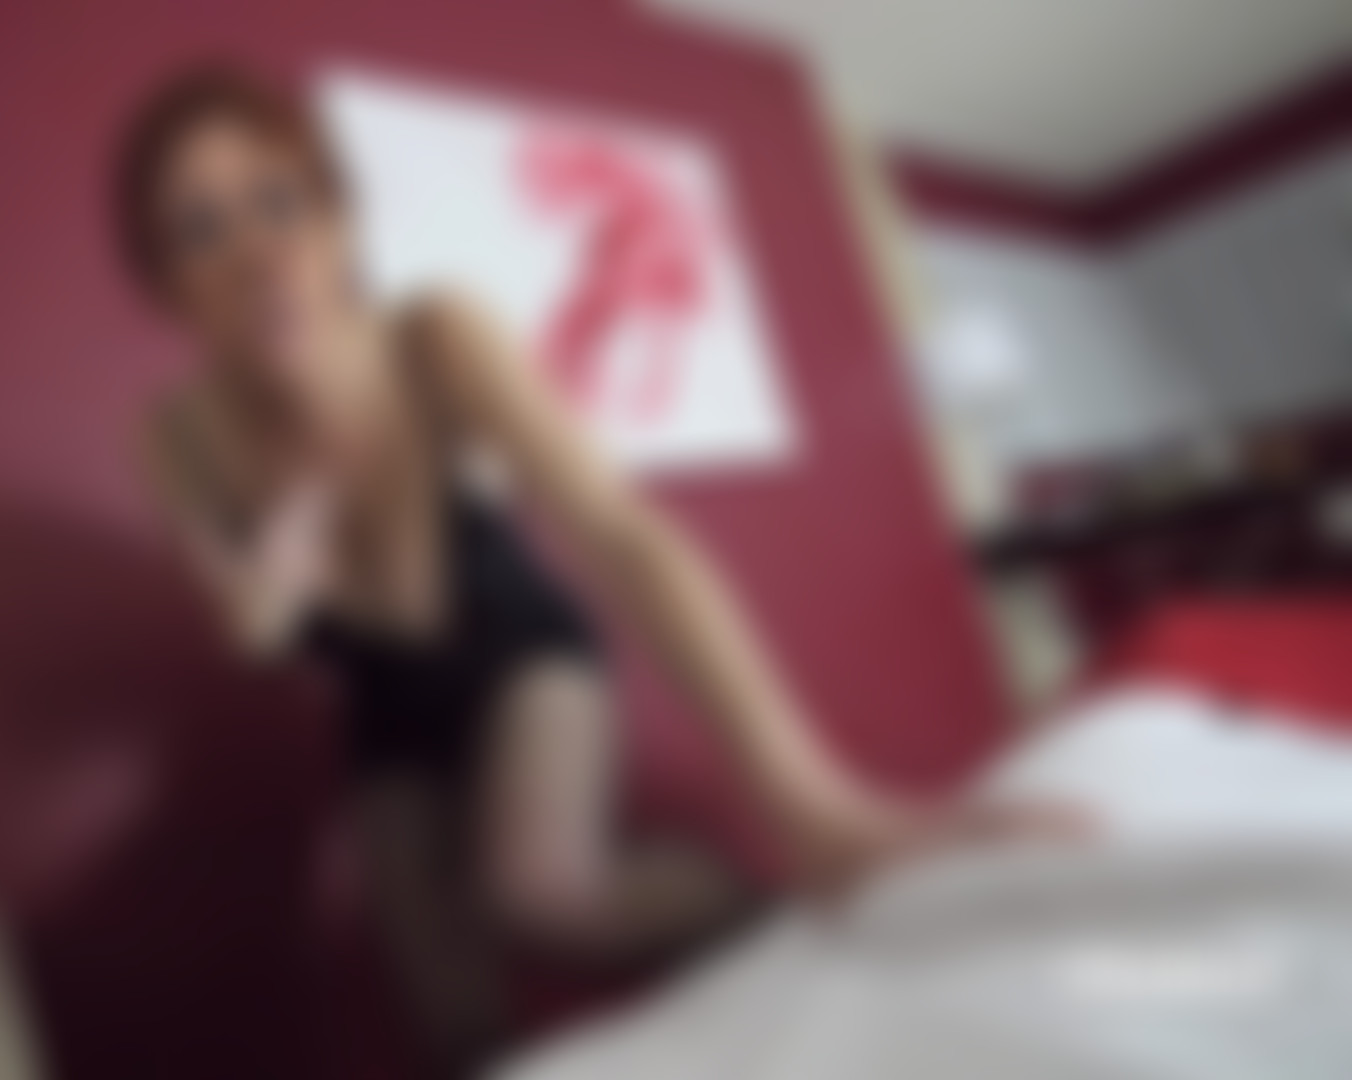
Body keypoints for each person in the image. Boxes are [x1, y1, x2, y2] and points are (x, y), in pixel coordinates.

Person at [116, 64, 1064, 1074]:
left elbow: (621, 531)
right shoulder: (180, 439)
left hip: (519, 651)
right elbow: (250, 634)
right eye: (201, 229)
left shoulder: (437, 336)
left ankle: (753, 916)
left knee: (537, 894)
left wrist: (817, 811)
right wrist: (265, 601)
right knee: (450, 1024)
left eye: (279, 201)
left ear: (340, 222)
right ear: (168, 288)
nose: (258, 254)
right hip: (386, 711)